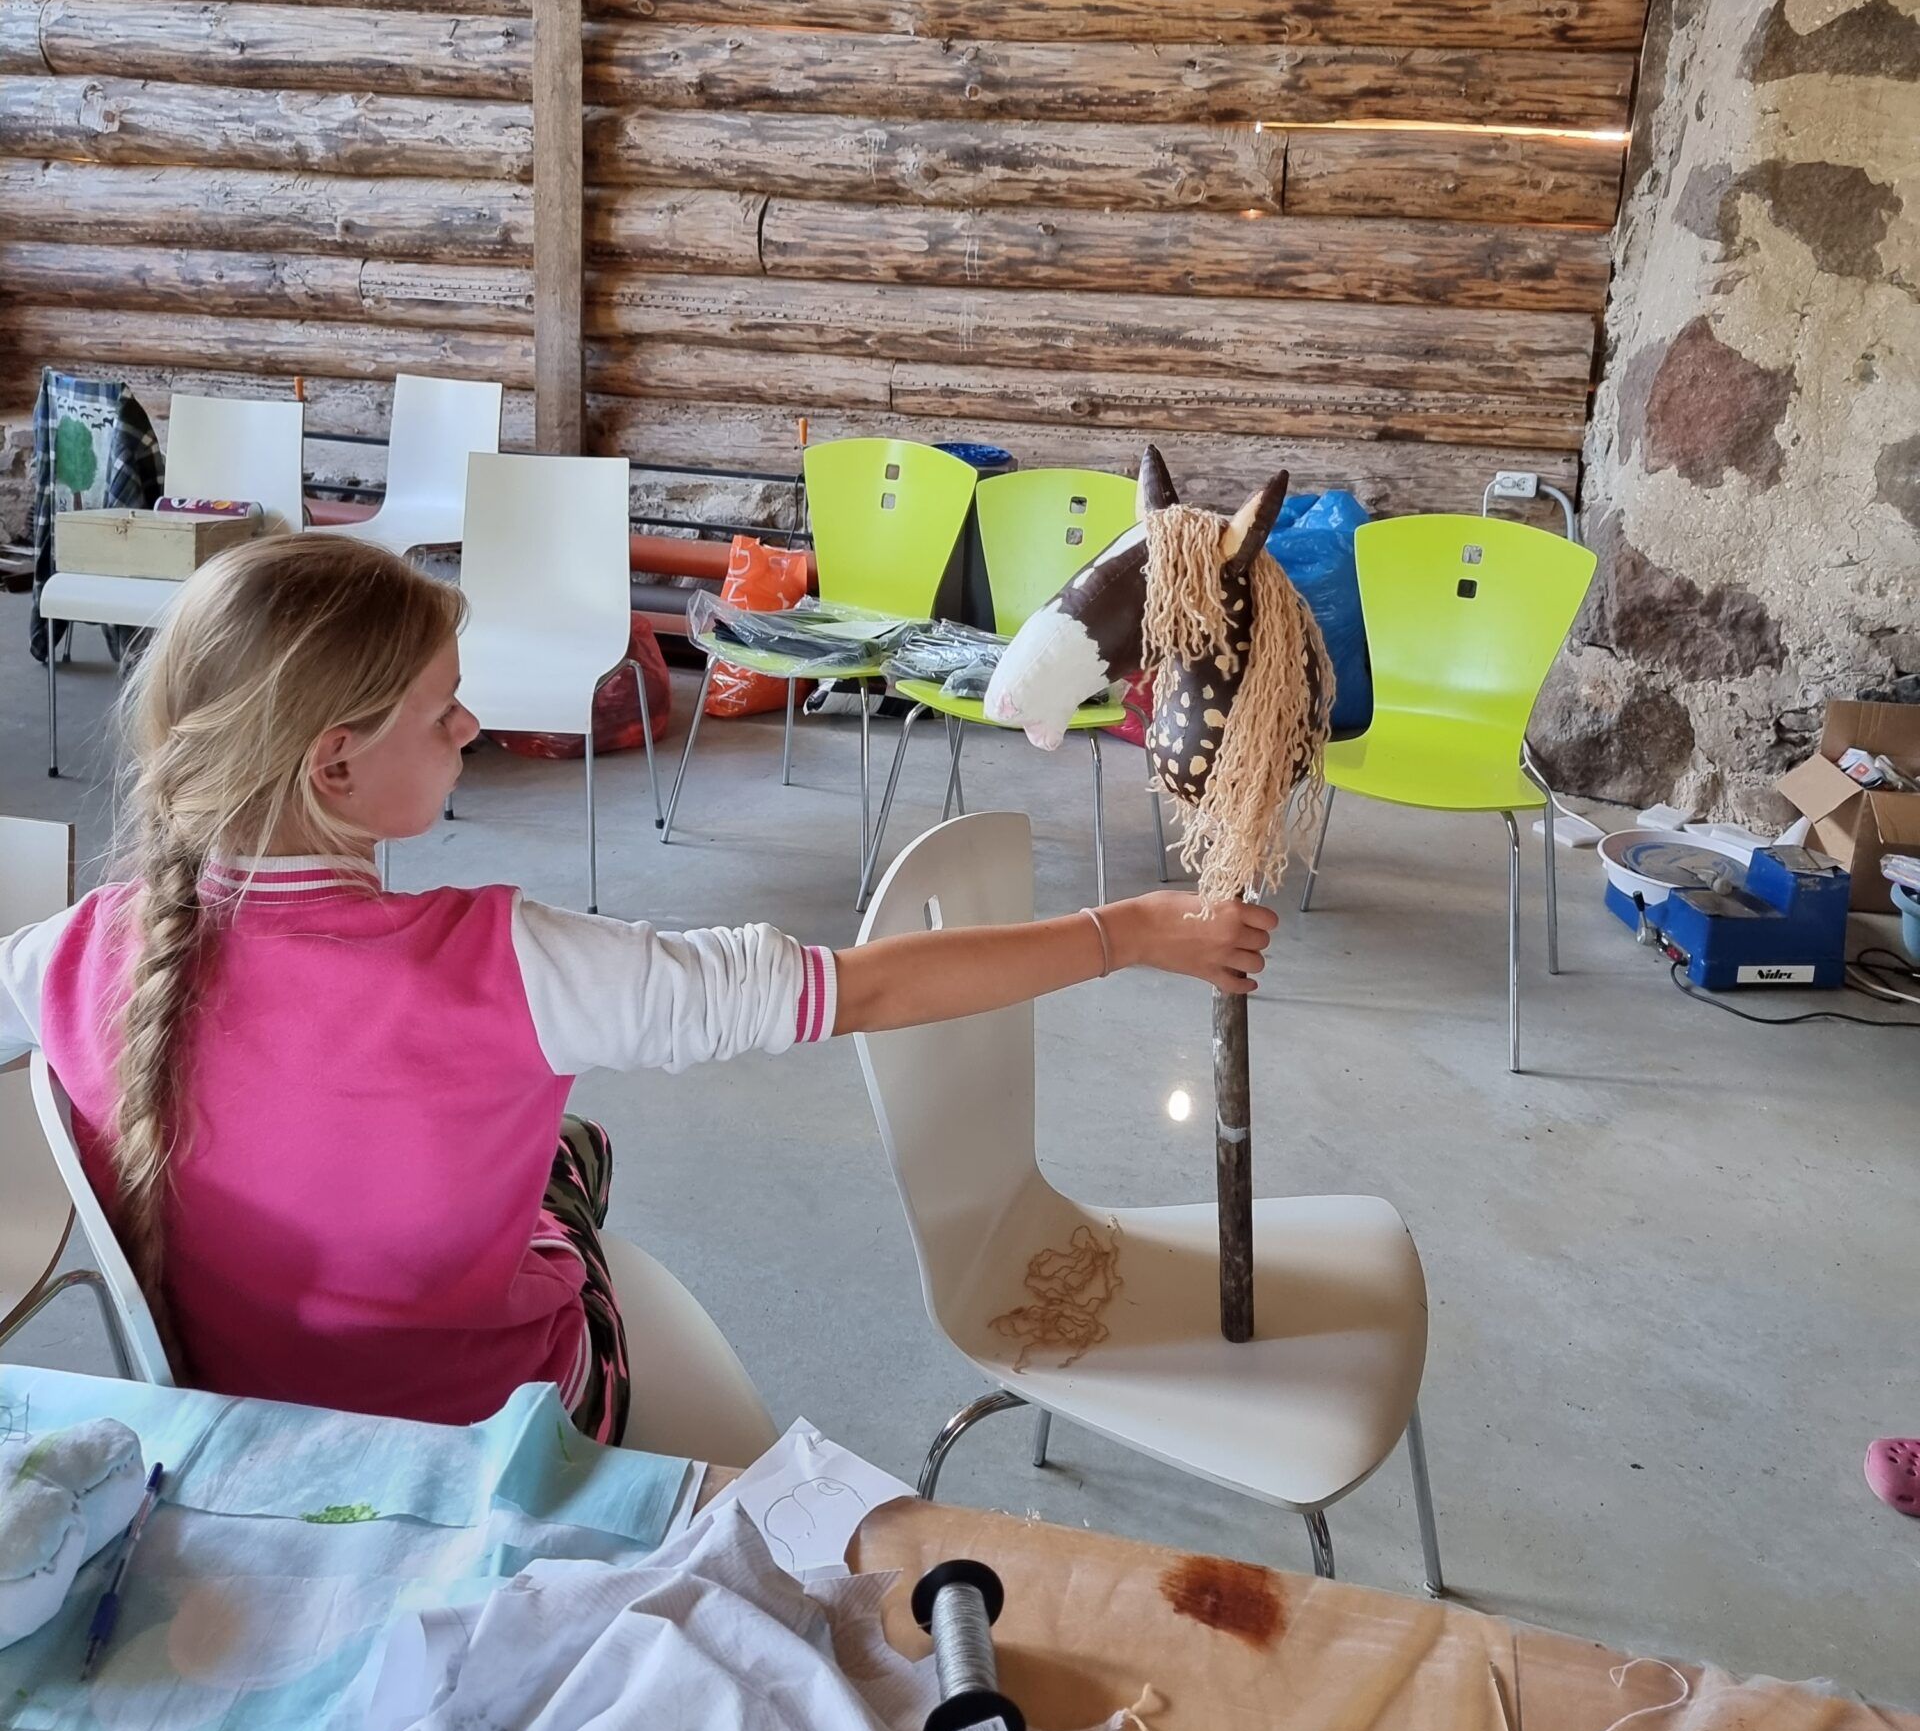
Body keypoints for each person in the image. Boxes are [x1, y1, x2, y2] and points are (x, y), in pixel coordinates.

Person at [0, 533, 1274, 1443]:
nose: (471, 727)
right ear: (334, 766)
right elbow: (862, 990)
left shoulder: (72, 948)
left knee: (550, 1144)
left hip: (242, 1426)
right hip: (495, 1436)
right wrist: (1128, 930)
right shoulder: (511, 967)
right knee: (571, 1155)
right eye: (444, 711)